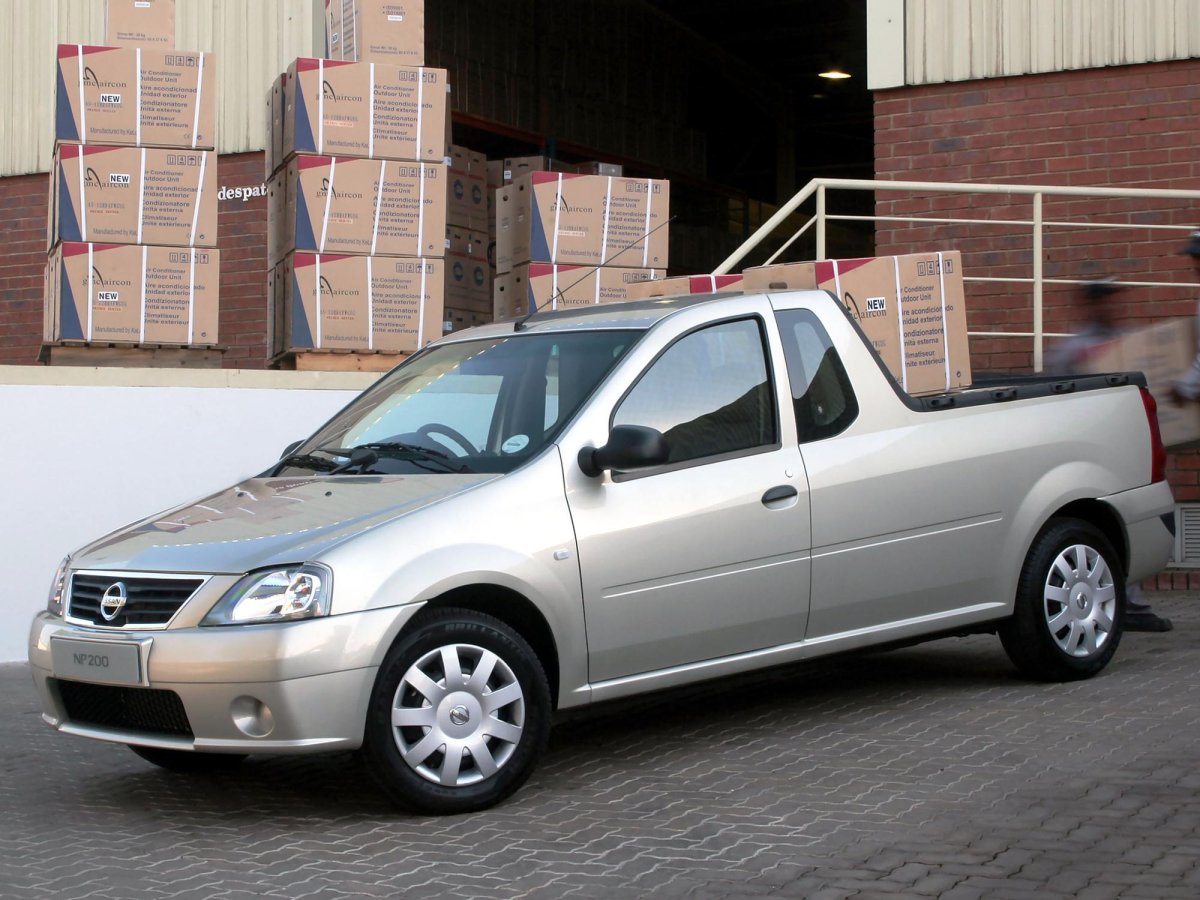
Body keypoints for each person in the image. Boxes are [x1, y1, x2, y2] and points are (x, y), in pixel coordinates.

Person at [1048, 277, 1174, 632]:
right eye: (1103, 300)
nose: (1111, 307)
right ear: (1088, 304)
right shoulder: (1072, 351)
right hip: (1093, 452)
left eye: (1113, 300)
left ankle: (1128, 600)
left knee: (1134, 517)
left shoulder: (1128, 341)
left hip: (1126, 446)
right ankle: (1124, 602)